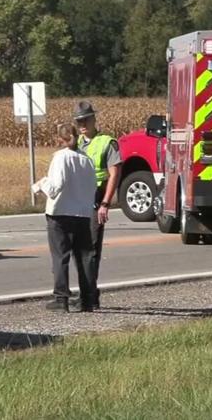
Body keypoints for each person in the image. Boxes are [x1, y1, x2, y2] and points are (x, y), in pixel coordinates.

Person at [32, 123, 98, 313]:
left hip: (61, 214)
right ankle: (87, 299)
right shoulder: (87, 160)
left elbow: (55, 188)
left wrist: (40, 184)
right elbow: (93, 187)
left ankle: (61, 298)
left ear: (60, 140)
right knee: (84, 257)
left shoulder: (60, 157)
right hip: (83, 214)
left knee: (61, 257)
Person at [72, 100, 122, 310]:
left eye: (86, 119)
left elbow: (114, 174)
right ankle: (89, 293)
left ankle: (88, 297)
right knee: (78, 249)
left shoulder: (107, 142)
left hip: (96, 198)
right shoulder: (75, 143)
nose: (83, 124)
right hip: (77, 201)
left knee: (90, 250)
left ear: (94, 119)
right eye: (79, 121)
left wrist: (105, 204)